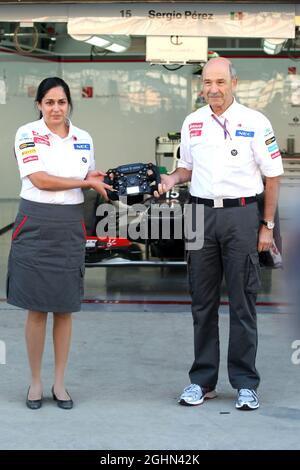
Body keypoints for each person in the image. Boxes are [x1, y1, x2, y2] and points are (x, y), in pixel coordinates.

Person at [156, 57, 284, 410]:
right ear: (201, 86)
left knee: (243, 301)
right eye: (207, 82)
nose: (213, 89)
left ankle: (245, 382)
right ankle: (202, 381)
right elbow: (185, 168)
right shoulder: (192, 122)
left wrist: (267, 225)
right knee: (202, 301)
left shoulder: (255, 122)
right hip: (198, 214)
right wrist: (170, 178)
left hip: (242, 215)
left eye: (220, 82)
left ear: (234, 83)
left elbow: (273, 176)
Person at [7, 77, 111, 410]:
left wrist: (100, 178)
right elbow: (39, 179)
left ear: (69, 104)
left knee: (65, 308)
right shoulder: (27, 133)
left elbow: (90, 175)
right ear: (39, 104)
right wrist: (85, 182)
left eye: (61, 102)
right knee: (37, 308)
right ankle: (36, 382)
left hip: (69, 223)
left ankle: (60, 384)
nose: (55, 108)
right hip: (35, 222)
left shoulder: (84, 138)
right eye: (49, 102)